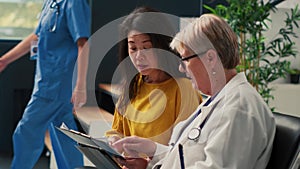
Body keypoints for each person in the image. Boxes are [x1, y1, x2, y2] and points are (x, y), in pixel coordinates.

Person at [112, 14, 276, 169]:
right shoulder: (217, 101)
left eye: (185, 59)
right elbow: (188, 157)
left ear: (210, 59)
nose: (181, 68)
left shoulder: (238, 109)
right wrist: (151, 158)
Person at [0, 0, 90, 168]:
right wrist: (5, 60)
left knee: (25, 132)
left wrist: (81, 85)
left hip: (56, 84)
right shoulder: (50, 2)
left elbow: (83, 43)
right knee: (64, 134)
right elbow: (36, 36)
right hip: (46, 80)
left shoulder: (74, 3)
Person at [105, 6, 202, 146]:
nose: (138, 56)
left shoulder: (184, 89)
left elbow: (184, 149)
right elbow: (117, 130)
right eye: (133, 48)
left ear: (162, 47)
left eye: (147, 48)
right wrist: (114, 140)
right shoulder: (133, 83)